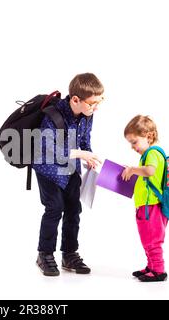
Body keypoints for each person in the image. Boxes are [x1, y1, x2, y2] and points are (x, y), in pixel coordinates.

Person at [32, 73, 104, 276]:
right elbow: (47, 147)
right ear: (75, 100)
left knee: (73, 209)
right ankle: (44, 254)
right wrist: (81, 154)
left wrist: (88, 157)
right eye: (93, 103)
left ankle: (69, 254)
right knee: (54, 208)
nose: (96, 107)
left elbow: (84, 140)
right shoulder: (53, 115)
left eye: (99, 102)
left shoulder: (87, 115)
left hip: (71, 168)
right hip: (47, 168)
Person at [121, 115, 168, 282]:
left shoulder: (152, 153)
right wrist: (133, 170)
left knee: (152, 240)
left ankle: (158, 271)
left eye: (134, 142)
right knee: (147, 239)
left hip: (151, 206)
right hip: (147, 206)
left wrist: (133, 169)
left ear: (149, 136)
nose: (132, 147)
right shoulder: (150, 153)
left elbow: (150, 171)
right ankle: (151, 266)